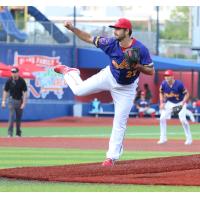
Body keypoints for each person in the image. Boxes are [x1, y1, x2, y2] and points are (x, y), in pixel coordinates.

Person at [54, 18, 154, 166]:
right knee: (78, 90)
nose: (115, 31)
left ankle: (111, 157)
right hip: (109, 76)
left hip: (127, 88)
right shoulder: (111, 43)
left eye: (119, 28)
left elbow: (151, 71)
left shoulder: (140, 49)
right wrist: (72, 28)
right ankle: (70, 72)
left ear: (127, 31)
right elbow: (88, 38)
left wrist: (137, 66)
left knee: (119, 123)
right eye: (115, 28)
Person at [158, 69, 192, 145]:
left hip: (180, 103)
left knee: (183, 120)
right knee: (162, 118)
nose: (166, 77)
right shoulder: (163, 84)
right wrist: (161, 103)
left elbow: (187, 94)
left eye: (168, 76)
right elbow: (161, 93)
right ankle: (163, 138)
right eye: (165, 76)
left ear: (172, 76)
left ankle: (189, 138)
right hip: (169, 103)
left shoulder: (179, 84)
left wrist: (183, 103)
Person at [1, 67, 27, 137]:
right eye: (12, 72)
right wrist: (3, 101)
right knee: (11, 117)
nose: (13, 73)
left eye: (15, 72)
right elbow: (5, 91)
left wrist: (24, 103)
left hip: (20, 101)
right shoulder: (9, 80)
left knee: (18, 118)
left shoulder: (22, 81)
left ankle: (18, 133)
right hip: (11, 100)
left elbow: (25, 92)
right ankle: (10, 133)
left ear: (18, 72)